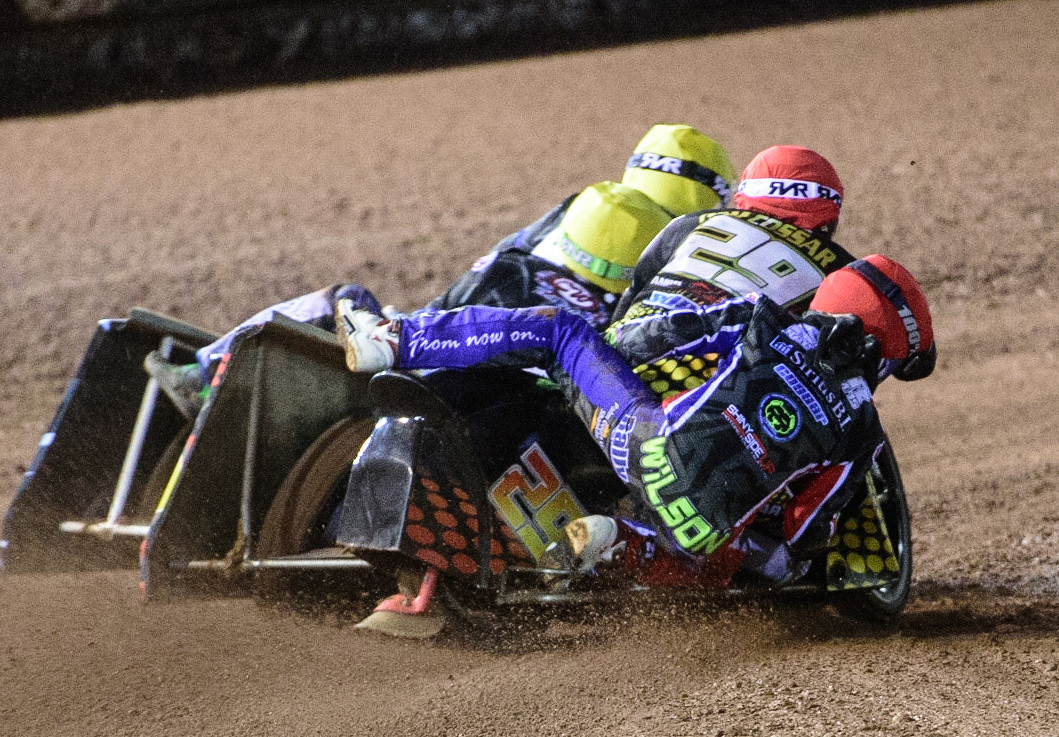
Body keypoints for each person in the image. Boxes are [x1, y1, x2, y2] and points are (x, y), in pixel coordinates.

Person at [336, 253, 936, 626]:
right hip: (700, 532)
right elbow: (807, 534)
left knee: (561, 330)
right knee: (766, 555)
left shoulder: (763, 317)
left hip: (645, 445)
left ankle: (394, 339)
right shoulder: (862, 433)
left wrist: (604, 372)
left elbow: (641, 340)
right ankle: (621, 541)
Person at [145, 124, 735, 419]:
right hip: (525, 405)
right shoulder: (676, 258)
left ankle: (202, 373)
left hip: (420, 354)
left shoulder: (564, 219)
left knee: (344, 296)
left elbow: (473, 284)